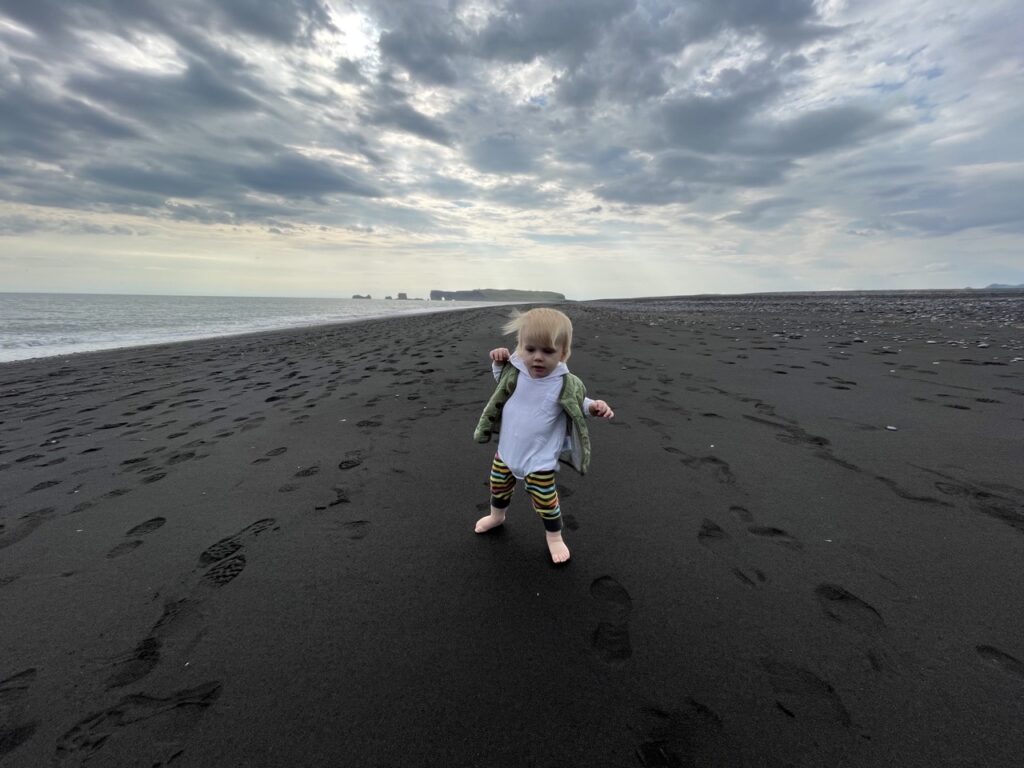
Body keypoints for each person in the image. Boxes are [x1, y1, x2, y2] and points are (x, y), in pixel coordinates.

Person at [473, 307, 614, 563]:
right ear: (520, 347)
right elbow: (500, 378)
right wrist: (497, 360)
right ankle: (497, 516)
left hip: (539, 460)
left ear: (563, 353)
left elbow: (579, 402)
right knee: (498, 488)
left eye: (547, 351)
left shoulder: (565, 383)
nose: (537, 358)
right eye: (530, 350)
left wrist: (594, 407)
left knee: (546, 502)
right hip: (506, 453)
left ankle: (554, 536)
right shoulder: (514, 371)